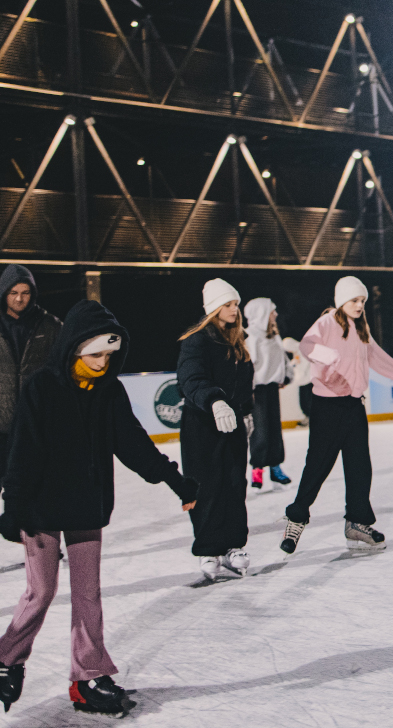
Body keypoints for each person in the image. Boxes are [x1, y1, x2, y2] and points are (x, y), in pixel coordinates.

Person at [0, 301, 197, 715]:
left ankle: (87, 677)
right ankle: (5, 661)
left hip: (86, 507)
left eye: (109, 355)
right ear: (74, 348)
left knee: (87, 593)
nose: (103, 363)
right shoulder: (42, 387)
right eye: (96, 355)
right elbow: (24, 452)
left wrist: (174, 479)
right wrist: (13, 506)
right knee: (42, 590)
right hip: (40, 508)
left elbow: (133, 444)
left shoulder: (110, 391)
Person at [280, 277, 393, 554]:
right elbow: (307, 346)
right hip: (326, 406)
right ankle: (296, 519)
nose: (359, 305)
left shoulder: (361, 327)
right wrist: (330, 358)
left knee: (359, 467)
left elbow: (376, 356)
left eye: (362, 301)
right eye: (354, 300)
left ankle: (357, 523)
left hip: (354, 406)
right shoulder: (328, 321)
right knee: (317, 466)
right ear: (342, 300)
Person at [177, 279, 255, 580]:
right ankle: (209, 549)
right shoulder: (196, 341)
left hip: (232, 425)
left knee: (235, 485)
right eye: (227, 305)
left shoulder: (238, 342)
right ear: (213, 310)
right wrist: (214, 401)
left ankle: (233, 546)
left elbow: (246, 384)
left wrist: (246, 412)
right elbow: (191, 378)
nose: (234, 309)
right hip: (202, 427)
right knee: (206, 487)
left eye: (235, 304)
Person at [0, 265, 61, 472]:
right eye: (13, 293)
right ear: (4, 293)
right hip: (0, 430)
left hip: (35, 428)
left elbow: (62, 369)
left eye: (25, 293)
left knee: (30, 493)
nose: (19, 299)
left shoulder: (50, 326)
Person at [244, 298, 292, 489]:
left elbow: (283, 361)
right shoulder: (251, 336)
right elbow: (248, 365)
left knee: (274, 429)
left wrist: (286, 376)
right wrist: (248, 387)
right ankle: (257, 469)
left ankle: (275, 467)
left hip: (272, 388)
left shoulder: (273, 335)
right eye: (273, 310)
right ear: (262, 312)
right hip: (256, 391)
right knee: (260, 431)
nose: (276, 314)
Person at [282, 336, 312, 426]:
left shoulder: (303, 350)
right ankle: (307, 417)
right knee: (303, 402)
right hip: (302, 381)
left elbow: (305, 364)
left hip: (307, 380)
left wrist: (300, 376)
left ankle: (310, 418)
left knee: (307, 402)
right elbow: (296, 362)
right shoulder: (297, 351)